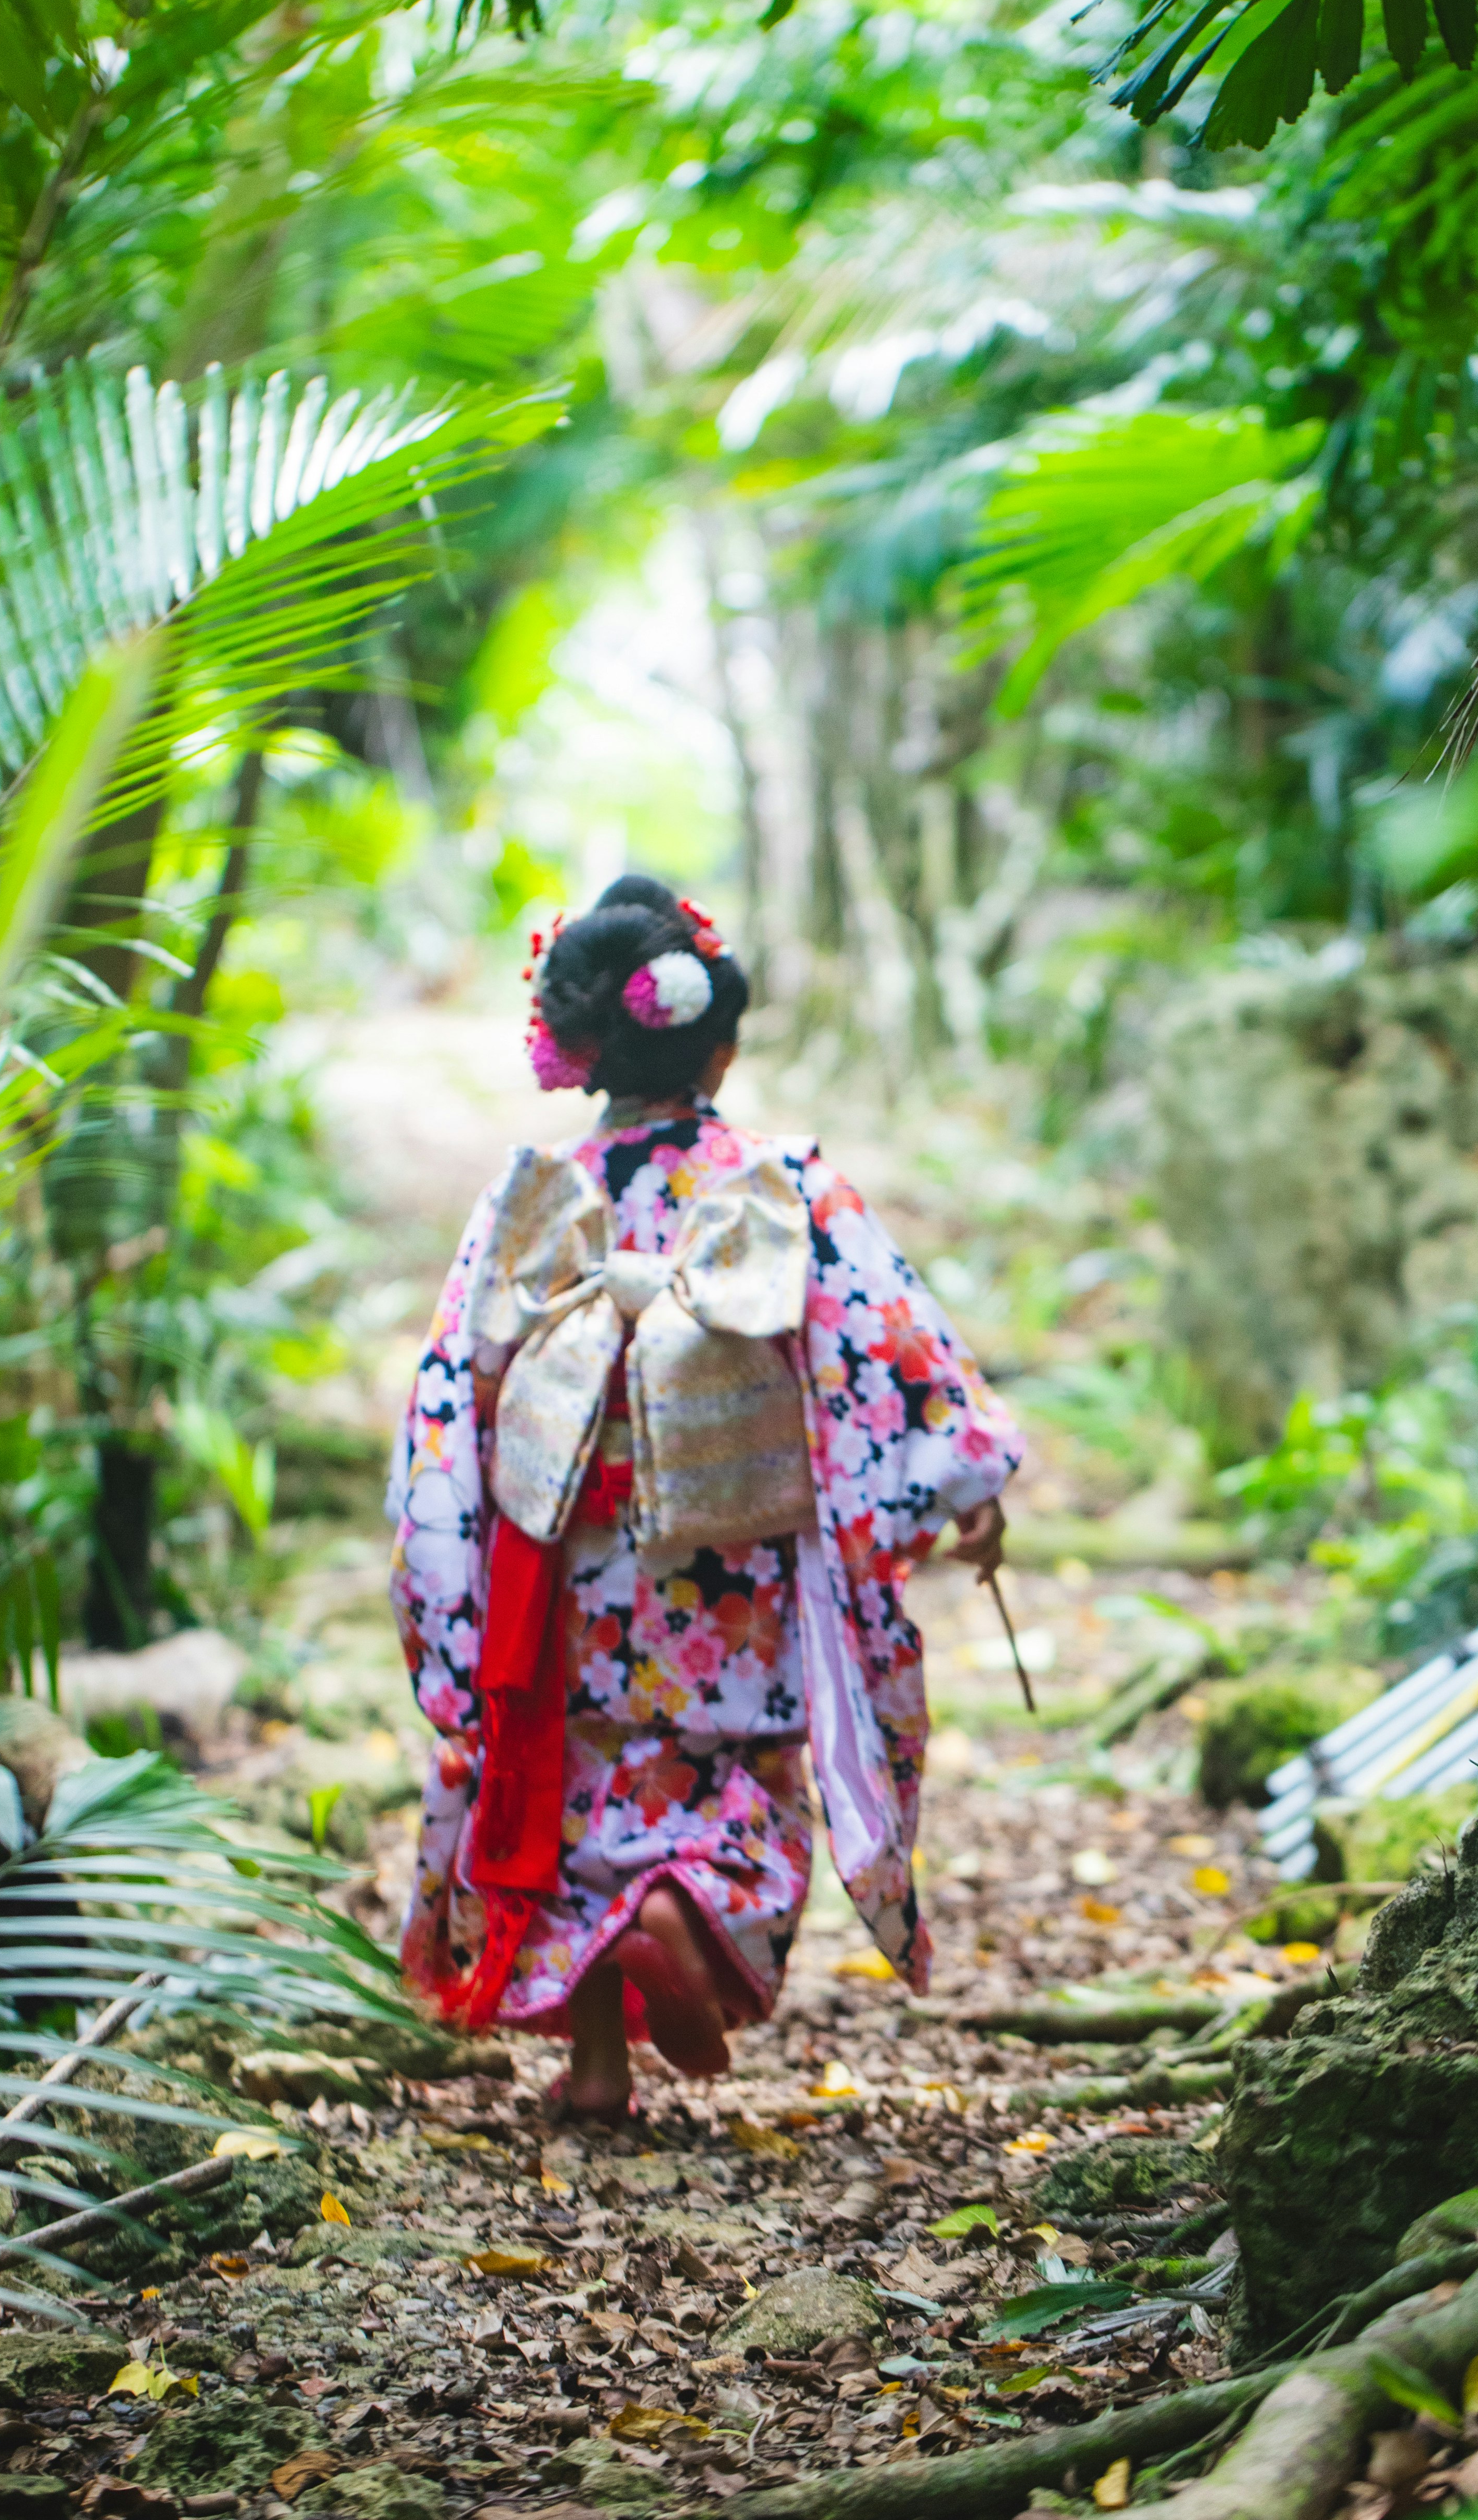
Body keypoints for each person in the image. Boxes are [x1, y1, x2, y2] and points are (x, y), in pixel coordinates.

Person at [387, 876, 1023, 2119]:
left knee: (577, 1786)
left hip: (568, 1561)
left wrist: (447, 1562)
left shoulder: (533, 1197)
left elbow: (457, 1380)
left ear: (587, 1059)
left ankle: (596, 2068)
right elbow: (884, 1341)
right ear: (717, 1052)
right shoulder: (779, 1185)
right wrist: (965, 1483)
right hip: (729, 1569)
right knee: (731, 1782)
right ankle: (680, 1914)